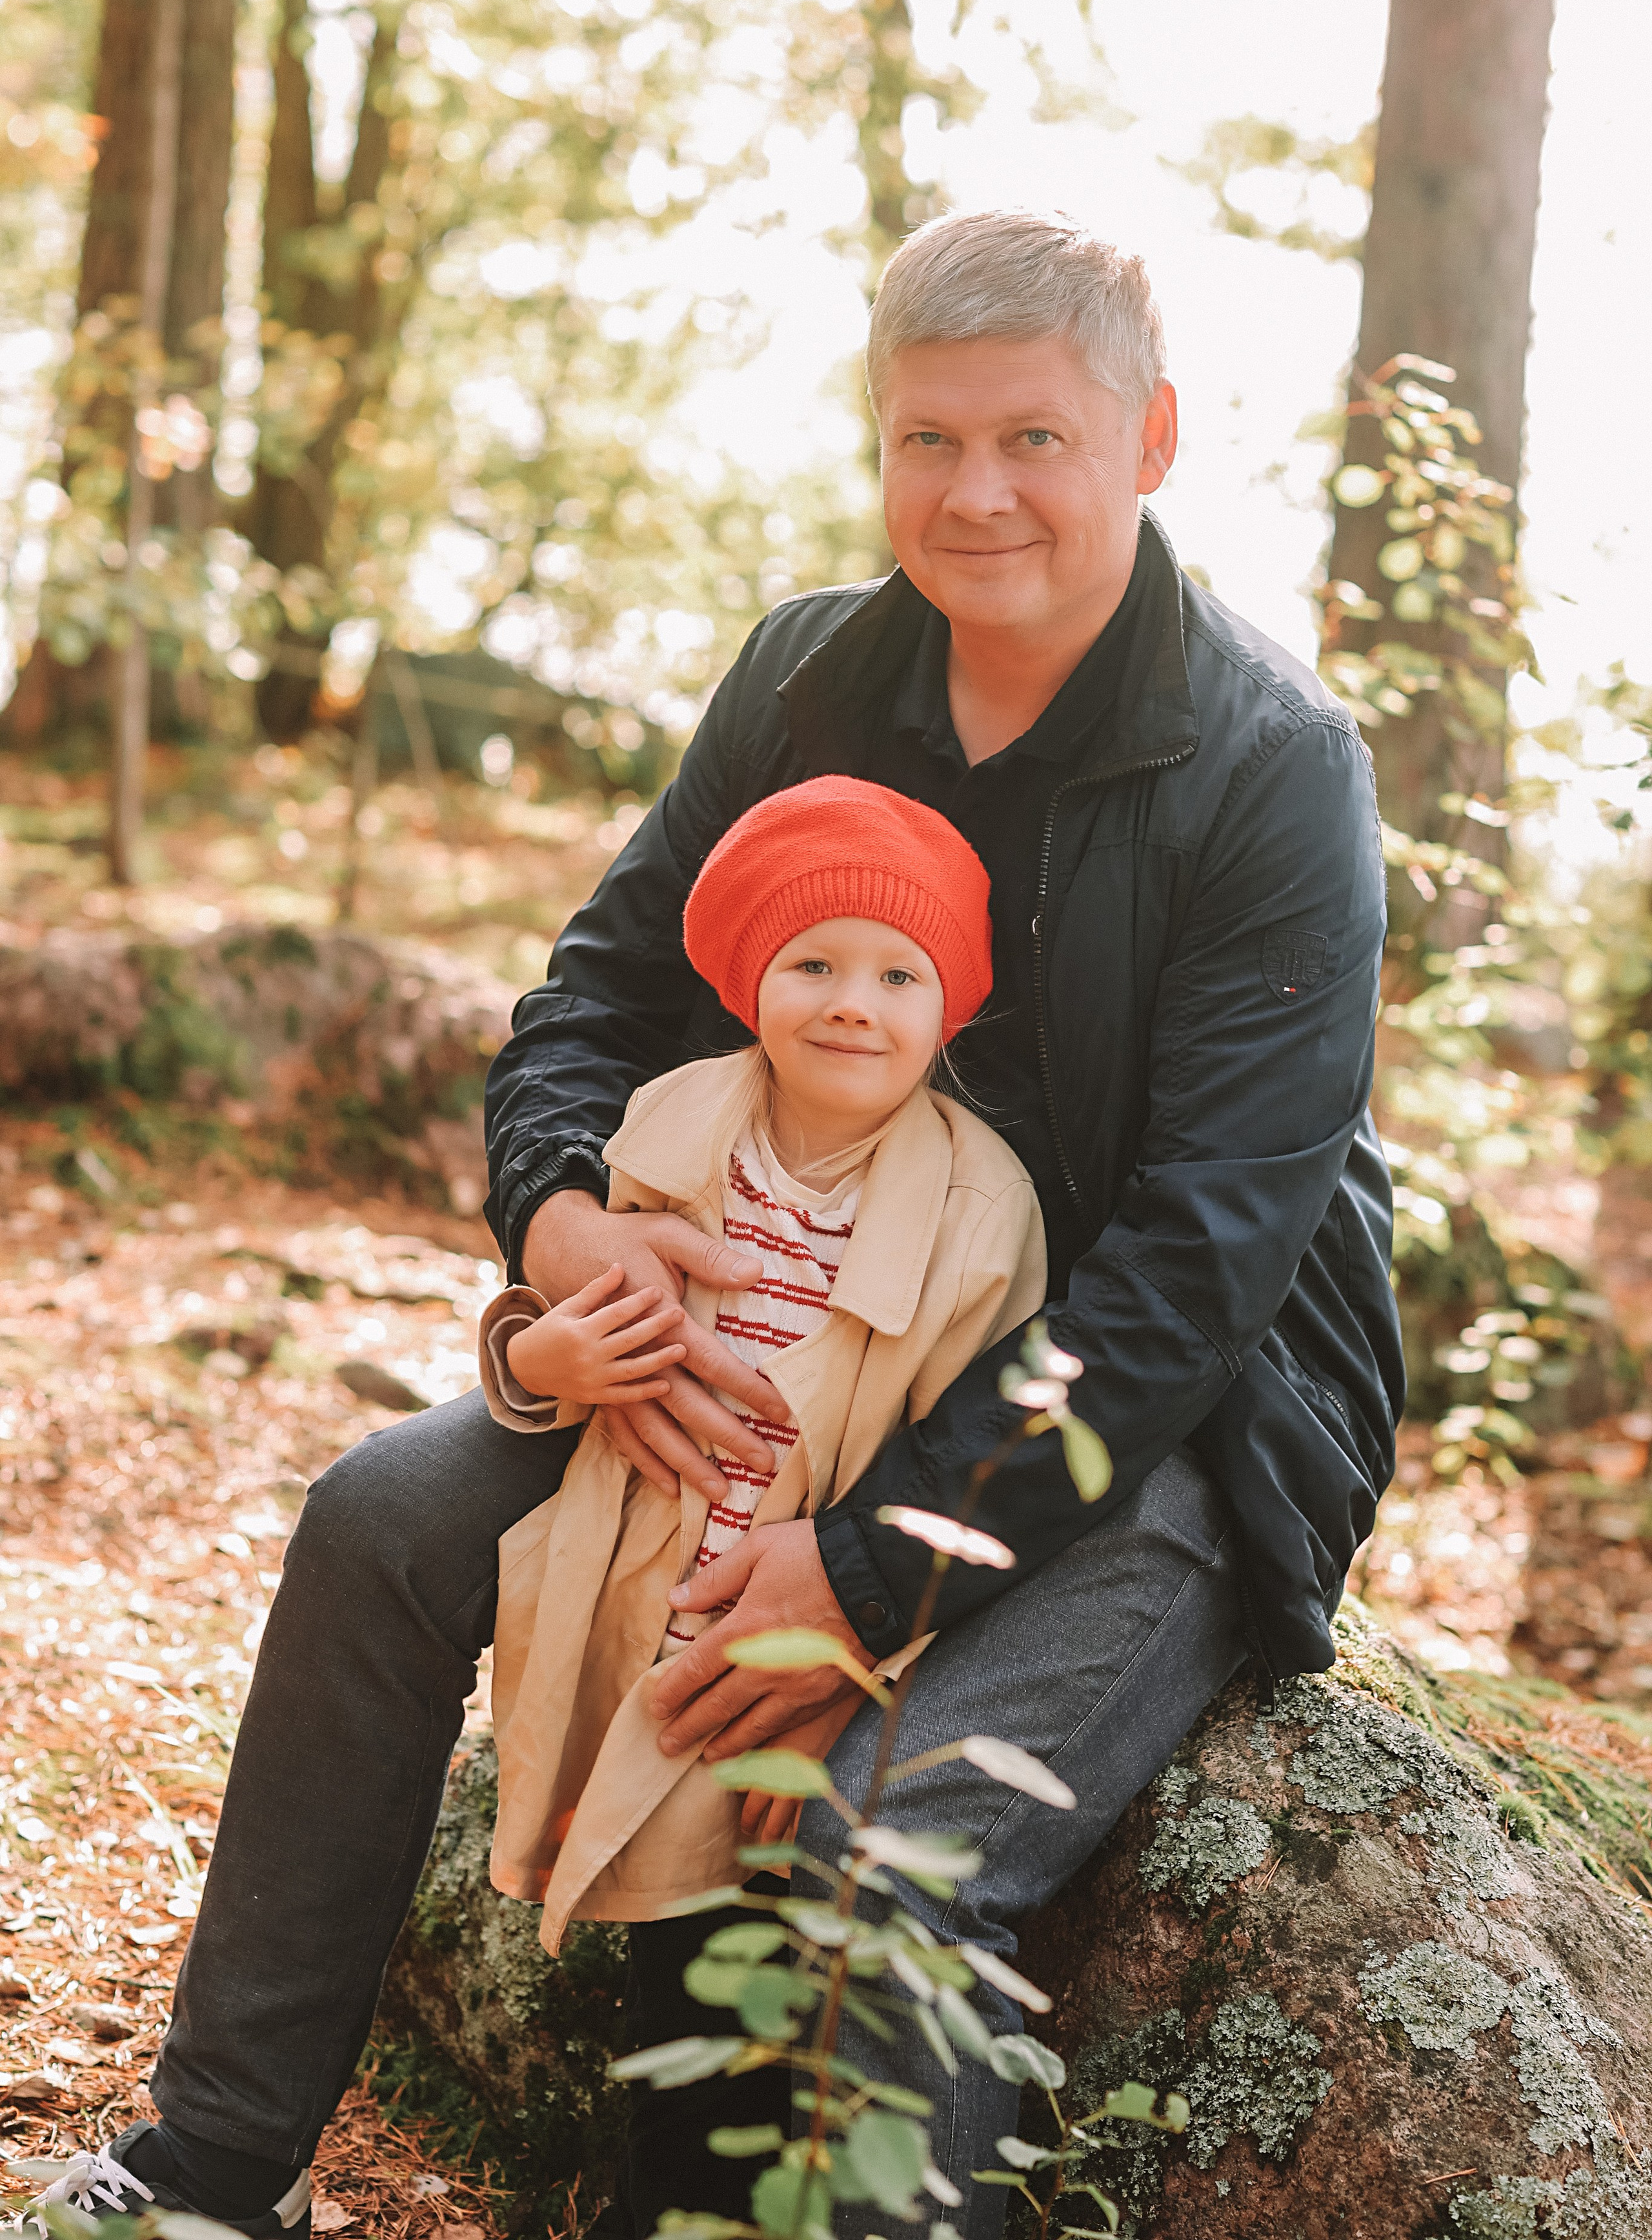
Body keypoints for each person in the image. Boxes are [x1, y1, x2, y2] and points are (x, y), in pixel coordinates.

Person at [16, 208, 1401, 2239]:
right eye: (928, 440)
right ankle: (206, 2172)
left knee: (870, 1855)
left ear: (1155, 441)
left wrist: (860, 1568)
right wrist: (562, 1225)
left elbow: (1205, 1253)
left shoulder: (1278, 771)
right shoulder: (810, 672)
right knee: (382, 1524)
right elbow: (598, 988)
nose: (978, 491)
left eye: (1034, 437)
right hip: (763, 1306)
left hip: (1175, 1412)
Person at [472, 778, 1043, 2217]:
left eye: (897, 974)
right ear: (747, 986)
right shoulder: (670, 1127)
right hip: (640, 1603)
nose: (854, 1003)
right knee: (668, 1962)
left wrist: (874, 1644)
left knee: (766, 1959)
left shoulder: (984, 1217)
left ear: (950, 1009)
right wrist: (545, 1351)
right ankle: (659, 2197)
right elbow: (570, 1355)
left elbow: (975, 1469)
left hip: (803, 1639)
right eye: (814, 964)